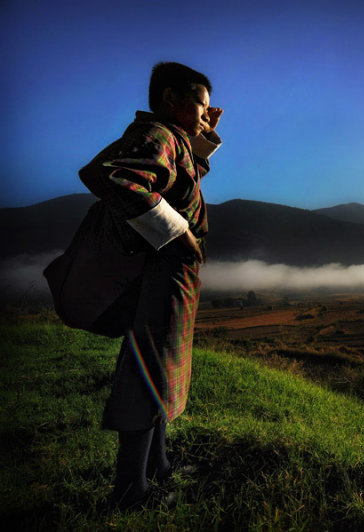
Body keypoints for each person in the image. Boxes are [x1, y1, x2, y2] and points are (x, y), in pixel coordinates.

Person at [79, 61, 223, 510]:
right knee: (147, 376)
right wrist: (177, 233)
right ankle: (130, 490)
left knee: (160, 374)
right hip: (161, 274)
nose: (205, 114)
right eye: (199, 105)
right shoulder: (157, 136)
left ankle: (157, 466)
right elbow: (116, 179)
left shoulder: (172, 138)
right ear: (169, 100)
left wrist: (204, 136)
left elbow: (183, 177)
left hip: (172, 276)